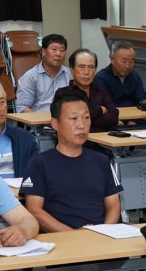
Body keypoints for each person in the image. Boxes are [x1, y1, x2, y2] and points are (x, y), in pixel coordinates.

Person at [23, 92, 122, 231]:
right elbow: (34, 210)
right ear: (55, 124)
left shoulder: (102, 160)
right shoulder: (39, 163)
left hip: (101, 237)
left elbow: (114, 206)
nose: (81, 125)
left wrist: (104, 232)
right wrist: (73, 236)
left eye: (86, 118)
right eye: (74, 118)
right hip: (62, 241)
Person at [53, 48, 119, 132]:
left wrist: (86, 118)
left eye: (91, 67)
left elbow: (114, 118)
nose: (86, 72)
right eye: (81, 67)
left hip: (103, 141)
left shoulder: (101, 89)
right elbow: (72, 123)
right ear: (71, 69)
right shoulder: (63, 93)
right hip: (77, 142)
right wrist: (100, 110)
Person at [14, 34, 74, 113]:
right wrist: (40, 122)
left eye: (62, 50)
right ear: (43, 52)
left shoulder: (70, 74)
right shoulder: (30, 77)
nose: (58, 54)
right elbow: (22, 107)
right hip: (40, 123)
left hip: (67, 121)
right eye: (54, 49)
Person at [96, 41, 146, 108]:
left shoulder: (135, 76)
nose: (127, 66)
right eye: (124, 61)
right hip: (113, 117)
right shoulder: (101, 78)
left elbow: (141, 102)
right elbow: (106, 106)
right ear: (112, 59)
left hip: (135, 116)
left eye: (131, 61)